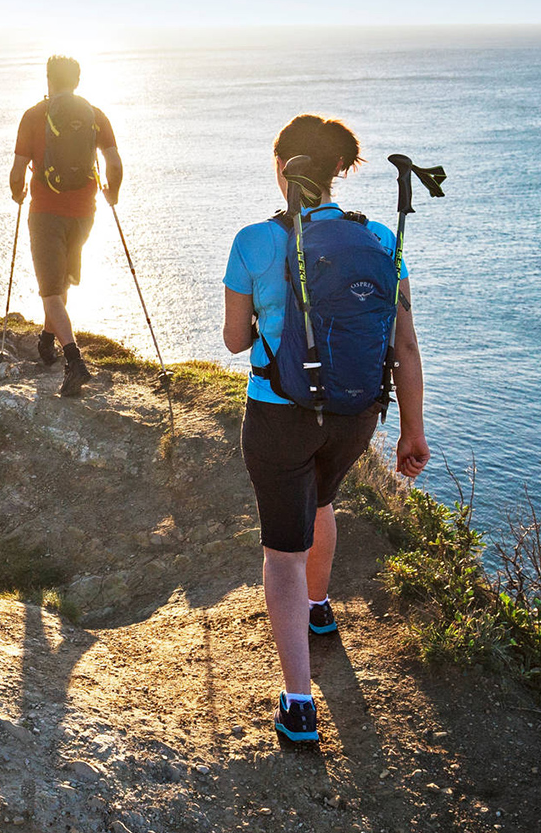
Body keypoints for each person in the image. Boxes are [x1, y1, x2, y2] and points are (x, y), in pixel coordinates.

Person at [221, 114, 431, 744]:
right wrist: (412, 433)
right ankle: (319, 610)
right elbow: (407, 350)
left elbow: (235, 342)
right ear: (339, 171)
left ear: (282, 164)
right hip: (357, 414)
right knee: (326, 500)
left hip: (280, 414)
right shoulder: (379, 244)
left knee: (281, 553)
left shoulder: (255, 241)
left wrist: (271, 321)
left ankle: (298, 703)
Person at [9, 56, 123, 397]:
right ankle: (46, 340)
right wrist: (112, 194)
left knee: (51, 291)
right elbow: (114, 163)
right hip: (85, 212)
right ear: (77, 79)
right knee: (61, 282)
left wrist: (19, 192)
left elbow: (17, 171)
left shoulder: (32, 116)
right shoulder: (95, 115)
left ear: (48, 79)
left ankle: (74, 361)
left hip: (46, 211)